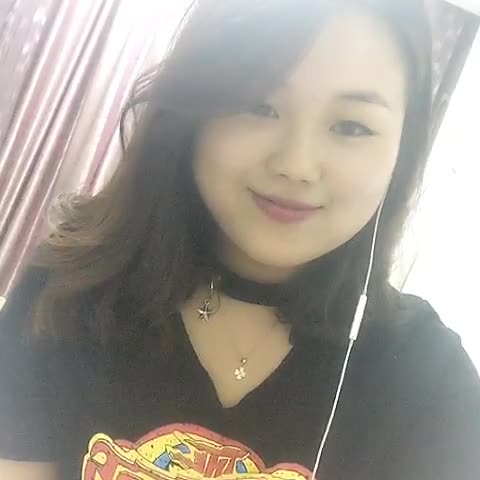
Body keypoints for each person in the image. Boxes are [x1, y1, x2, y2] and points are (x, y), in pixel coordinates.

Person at [1, 0, 479, 479]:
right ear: (192, 113)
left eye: (351, 126)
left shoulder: (430, 384)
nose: (296, 164)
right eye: (259, 105)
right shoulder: (71, 292)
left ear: (401, 151)